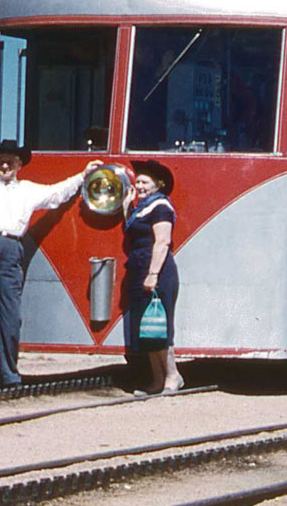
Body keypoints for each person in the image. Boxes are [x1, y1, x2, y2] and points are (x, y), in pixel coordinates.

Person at [0, 140, 102, 388]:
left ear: (19, 165)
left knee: (11, 312)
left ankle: (10, 371)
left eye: (10, 162)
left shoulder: (28, 190)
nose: (5, 165)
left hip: (13, 247)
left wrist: (83, 175)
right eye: (1, 160)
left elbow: (57, 193)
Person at [123, 159, 184, 395]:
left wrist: (153, 274)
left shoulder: (161, 206)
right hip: (140, 269)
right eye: (137, 181)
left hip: (157, 270)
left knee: (161, 327)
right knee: (147, 328)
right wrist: (126, 208)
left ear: (158, 184)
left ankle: (172, 376)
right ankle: (157, 380)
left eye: (144, 182)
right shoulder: (140, 209)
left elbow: (162, 241)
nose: (139, 186)